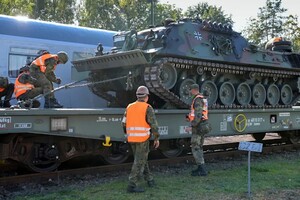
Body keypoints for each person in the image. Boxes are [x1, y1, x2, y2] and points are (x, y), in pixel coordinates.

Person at [122, 85, 160, 193]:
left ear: (137, 96)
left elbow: (123, 123)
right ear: (146, 97)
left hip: (132, 138)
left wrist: (128, 133)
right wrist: (156, 138)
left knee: (141, 159)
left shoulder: (129, 106)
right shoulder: (147, 108)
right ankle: (132, 185)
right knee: (139, 161)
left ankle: (150, 180)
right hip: (142, 139)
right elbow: (154, 125)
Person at [187, 83, 210, 176]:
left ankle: (202, 169)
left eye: (190, 90)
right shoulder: (202, 98)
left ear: (193, 90)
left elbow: (199, 114)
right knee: (199, 147)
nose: (189, 92)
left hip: (198, 126)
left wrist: (192, 125)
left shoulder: (197, 100)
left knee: (195, 147)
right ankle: (202, 168)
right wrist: (189, 118)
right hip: (203, 125)